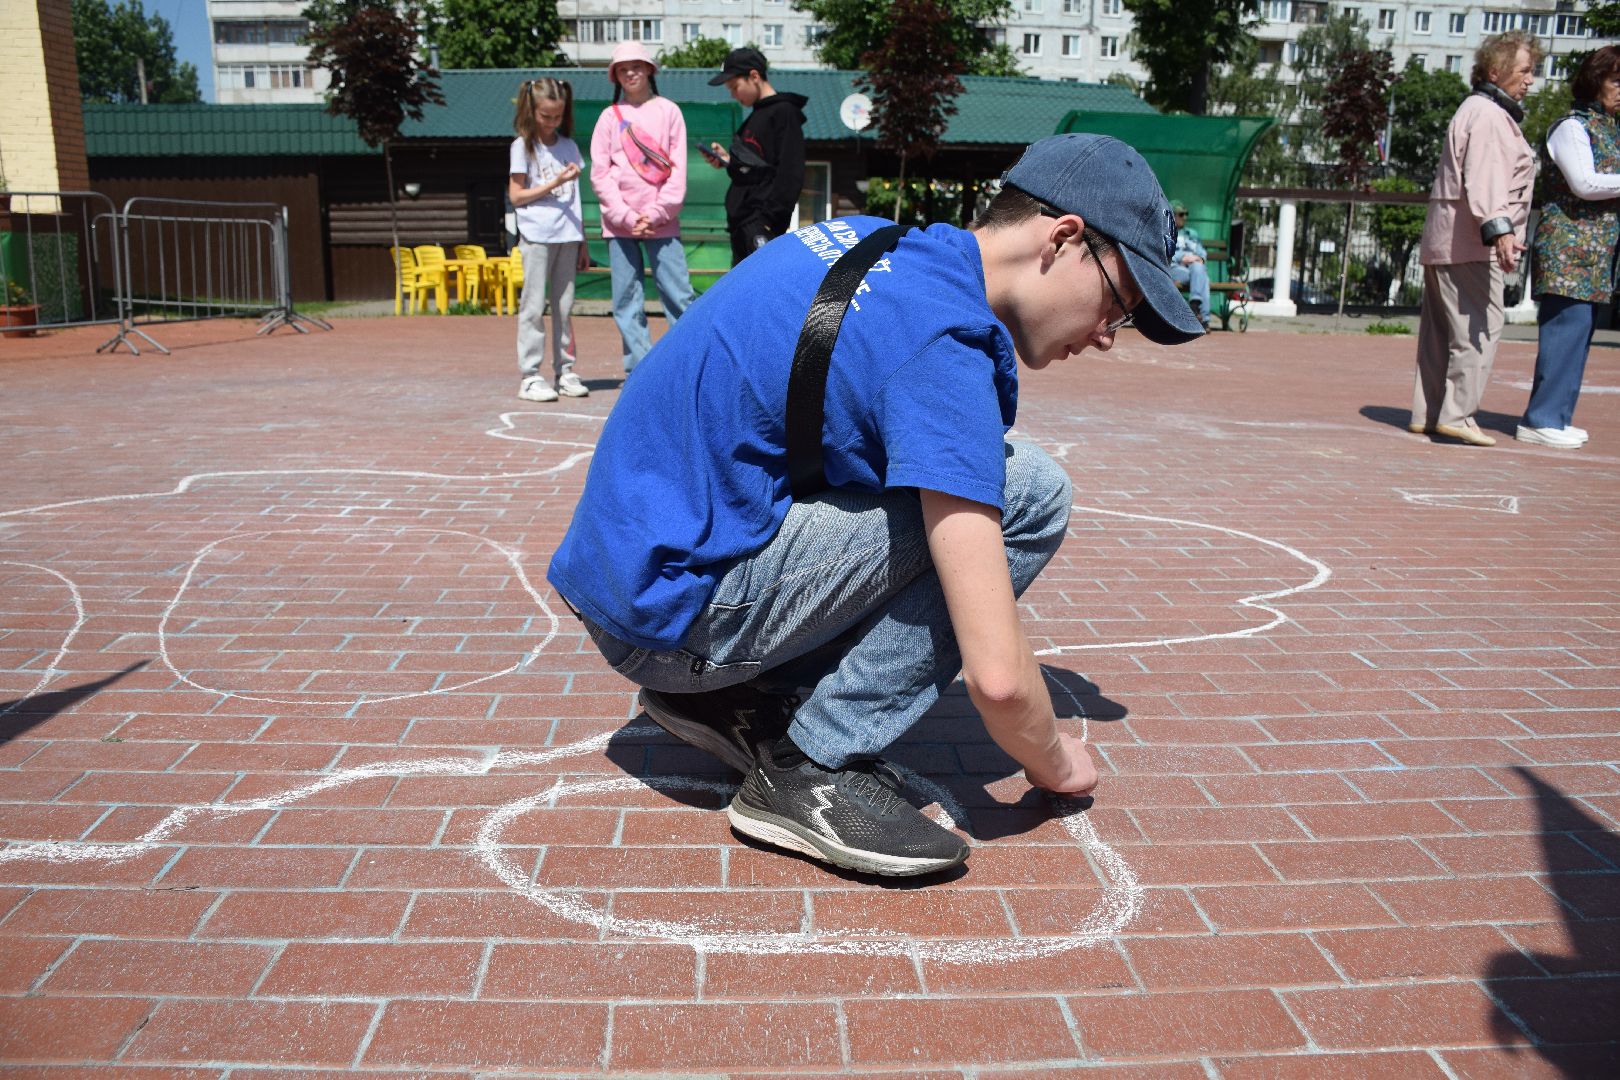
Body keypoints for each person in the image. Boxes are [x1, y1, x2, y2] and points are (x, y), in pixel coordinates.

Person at [548, 134, 1203, 878]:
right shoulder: (942, 345)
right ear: (1062, 239)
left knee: (927, 474)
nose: (1107, 339)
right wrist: (1057, 759)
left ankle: (729, 700)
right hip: (674, 619)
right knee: (1030, 492)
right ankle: (812, 767)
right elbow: (997, 678)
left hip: (633, 575)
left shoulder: (870, 240)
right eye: (1119, 304)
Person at [1410, 30, 1542, 447]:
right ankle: (1458, 414)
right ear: (1495, 71)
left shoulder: (1474, 108)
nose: (1530, 80)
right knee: (1480, 327)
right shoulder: (1487, 114)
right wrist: (1500, 231)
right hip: (1469, 241)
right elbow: (1486, 178)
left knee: (1440, 332)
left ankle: (1428, 413)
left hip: (1445, 237)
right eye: (1524, 70)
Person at [1518, 46, 1620, 449]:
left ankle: (1557, 417)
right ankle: (1540, 418)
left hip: (1596, 256)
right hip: (1568, 250)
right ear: (1594, 82)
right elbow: (1584, 183)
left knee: (1579, 337)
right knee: (1564, 334)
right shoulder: (1571, 126)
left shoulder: (1610, 127)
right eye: (1616, 80)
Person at [588, 41, 697, 374]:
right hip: (619, 225)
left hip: (662, 223)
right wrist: (626, 216)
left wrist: (657, 213)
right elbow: (600, 172)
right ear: (615, 76)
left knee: (679, 295)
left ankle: (686, 367)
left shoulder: (669, 111)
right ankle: (641, 370)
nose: (630, 73)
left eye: (636, 66)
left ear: (650, 69)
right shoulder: (608, 117)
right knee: (626, 299)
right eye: (623, 69)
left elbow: (678, 169)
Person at [509, 77, 590, 403]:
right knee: (532, 306)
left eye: (557, 116)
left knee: (564, 306)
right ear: (532, 111)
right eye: (545, 116)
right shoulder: (522, 147)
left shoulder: (569, 146)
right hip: (537, 235)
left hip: (567, 235)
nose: (551, 122)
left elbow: (575, 198)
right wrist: (555, 180)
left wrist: (583, 240)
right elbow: (516, 196)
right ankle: (530, 376)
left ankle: (565, 371)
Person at [703, 46, 809, 265]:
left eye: (734, 87)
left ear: (754, 76)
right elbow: (758, 168)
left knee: (764, 288)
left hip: (761, 221)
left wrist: (771, 219)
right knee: (743, 292)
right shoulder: (755, 117)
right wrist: (728, 162)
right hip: (741, 219)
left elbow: (791, 171)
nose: (733, 94)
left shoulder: (784, 112)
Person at [1168, 200, 1211, 329]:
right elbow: (1166, 253)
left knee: (1199, 269)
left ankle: (1195, 305)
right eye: (1181, 214)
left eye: (1186, 214)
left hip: (1193, 268)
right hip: (1175, 268)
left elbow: (1202, 253)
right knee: (1203, 278)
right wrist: (1183, 257)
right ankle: (1204, 318)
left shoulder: (1192, 234)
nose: (1184, 217)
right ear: (1173, 215)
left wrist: (1200, 259)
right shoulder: (1167, 232)